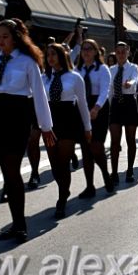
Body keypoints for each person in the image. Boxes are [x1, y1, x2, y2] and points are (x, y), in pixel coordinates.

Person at [0, 19, 55, 243]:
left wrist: (46, 127)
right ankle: (17, 222)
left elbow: (39, 95)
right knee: (7, 171)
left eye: (5, 36)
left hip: (19, 114)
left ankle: (20, 225)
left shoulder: (27, 62)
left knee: (12, 168)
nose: (1, 41)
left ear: (15, 38)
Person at [41, 43, 91, 218]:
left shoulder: (75, 77)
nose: (51, 58)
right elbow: (38, 102)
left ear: (62, 56)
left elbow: (83, 104)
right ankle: (64, 189)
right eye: (48, 55)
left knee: (63, 163)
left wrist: (87, 127)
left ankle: (62, 199)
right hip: (50, 121)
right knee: (54, 165)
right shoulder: (43, 78)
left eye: (54, 54)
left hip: (69, 120)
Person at [75, 38, 114, 198]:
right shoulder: (78, 70)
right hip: (82, 107)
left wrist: (97, 107)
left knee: (96, 146)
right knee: (85, 149)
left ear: (96, 51)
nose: (86, 52)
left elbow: (105, 90)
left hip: (99, 108)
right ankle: (89, 186)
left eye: (89, 48)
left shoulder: (103, 69)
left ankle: (106, 174)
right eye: (84, 49)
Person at [108, 41, 138, 184]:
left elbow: (135, 79)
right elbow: (109, 90)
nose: (121, 54)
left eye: (123, 51)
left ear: (128, 52)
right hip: (115, 104)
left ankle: (130, 170)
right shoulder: (111, 69)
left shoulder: (133, 67)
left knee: (130, 139)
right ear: (115, 53)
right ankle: (114, 172)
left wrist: (130, 83)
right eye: (118, 52)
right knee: (115, 141)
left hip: (129, 103)